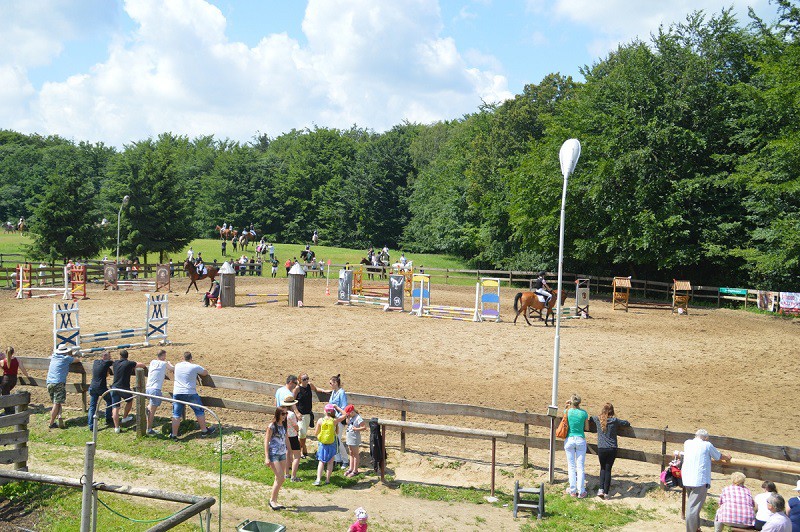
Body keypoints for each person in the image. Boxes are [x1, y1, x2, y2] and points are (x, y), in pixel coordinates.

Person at [682, 429, 732, 532]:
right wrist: (727, 457)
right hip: (699, 480)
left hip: (687, 478)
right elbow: (718, 456)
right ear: (705, 438)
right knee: (693, 509)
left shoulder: (687, 443)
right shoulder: (707, 445)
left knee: (693, 507)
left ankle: (696, 528)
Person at [171, 352, 215, 439]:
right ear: (191, 358)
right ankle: (204, 431)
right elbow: (205, 373)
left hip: (177, 392)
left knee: (176, 414)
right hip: (190, 392)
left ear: (182, 358)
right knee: (199, 411)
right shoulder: (194, 366)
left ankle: (174, 435)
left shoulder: (177, 365)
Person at [591, 403, 630, 499]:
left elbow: (591, 418)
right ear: (612, 411)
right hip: (612, 448)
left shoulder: (597, 419)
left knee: (602, 468)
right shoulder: (614, 420)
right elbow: (626, 423)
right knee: (608, 469)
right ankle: (606, 492)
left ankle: (600, 489)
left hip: (601, 448)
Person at [317, 374, 349, 468]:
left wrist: (336, 418)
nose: (330, 384)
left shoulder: (341, 393)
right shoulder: (334, 392)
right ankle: (337, 459)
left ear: (336, 383)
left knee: (338, 440)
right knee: (334, 439)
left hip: (338, 419)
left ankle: (345, 460)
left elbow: (343, 407)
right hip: (332, 419)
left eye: (331, 383)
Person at [111, 350, 147, 433]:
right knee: (130, 400)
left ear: (120, 356)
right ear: (127, 356)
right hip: (124, 387)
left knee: (115, 407)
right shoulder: (129, 363)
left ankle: (116, 427)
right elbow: (142, 365)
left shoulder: (115, 363)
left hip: (114, 387)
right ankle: (124, 417)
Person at [264, 407, 291, 510]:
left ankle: (274, 500)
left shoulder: (284, 425)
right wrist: (267, 457)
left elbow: (286, 439)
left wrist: (290, 452)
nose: (285, 416)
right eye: (283, 414)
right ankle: (272, 500)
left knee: (278, 478)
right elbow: (266, 441)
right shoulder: (271, 426)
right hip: (274, 454)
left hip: (282, 453)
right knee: (281, 477)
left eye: (286, 414)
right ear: (278, 414)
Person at [46, 344, 78, 429]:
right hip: (58, 382)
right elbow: (76, 360)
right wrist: (71, 355)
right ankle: (51, 422)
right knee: (56, 403)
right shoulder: (66, 358)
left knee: (57, 402)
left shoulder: (54, 357)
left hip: (49, 382)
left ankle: (59, 416)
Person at [563, 394, 589, 497]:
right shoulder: (584, 413)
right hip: (580, 440)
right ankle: (581, 491)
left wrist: (566, 407)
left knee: (571, 466)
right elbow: (586, 428)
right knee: (580, 466)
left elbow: (564, 421)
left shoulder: (567, 412)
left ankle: (573, 490)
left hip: (570, 439)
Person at [145, 350, 174, 435]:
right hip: (155, 389)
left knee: (150, 406)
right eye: (164, 356)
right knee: (152, 410)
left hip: (148, 388)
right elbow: (172, 369)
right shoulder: (164, 363)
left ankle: (147, 412)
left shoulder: (152, 362)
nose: (165, 358)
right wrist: (169, 363)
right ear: (162, 356)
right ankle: (149, 429)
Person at [313, 404, 341, 486]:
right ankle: (327, 480)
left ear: (325, 411)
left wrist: (320, 437)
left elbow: (316, 433)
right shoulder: (334, 421)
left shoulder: (320, 420)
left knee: (321, 461)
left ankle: (318, 479)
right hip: (332, 443)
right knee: (330, 462)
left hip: (323, 443)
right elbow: (337, 433)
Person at [294, 372, 320, 458]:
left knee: (304, 433)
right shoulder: (297, 389)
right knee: (301, 432)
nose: (306, 380)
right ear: (300, 380)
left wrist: (325, 391)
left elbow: (316, 389)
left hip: (308, 414)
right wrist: (297, 413)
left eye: (307, 378)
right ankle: (301, 449)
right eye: (304, 379)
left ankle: (302, 448)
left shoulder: (310, 385)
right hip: (301, 415)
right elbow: (292, 402)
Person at [87, 351, 113, 431]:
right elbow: (114, 363)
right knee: (110, 400)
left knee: (92, 407)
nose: (110, 358)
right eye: (109, 356)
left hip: (92, 386)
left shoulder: (95, 362)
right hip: (101, 387)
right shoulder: (107, 362)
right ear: (105, 357)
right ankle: (108, 418)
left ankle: (91, 425)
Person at [1, 347, 29, 415]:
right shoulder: (17, 360)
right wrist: (27, 376)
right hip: (14, 380)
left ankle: (8, 411)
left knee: (5, 396)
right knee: (7, 394)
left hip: (5, 380)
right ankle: (10, 408)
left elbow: (3, 368)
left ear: (6, 352)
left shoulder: (2, 361)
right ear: (13, 352)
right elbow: (23, 369)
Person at [281, 396, 302, 482]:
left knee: (287, 453)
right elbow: (295, 426)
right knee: (297, 456)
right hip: (293, 436)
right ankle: (293, 476)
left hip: (285, 436)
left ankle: (286, 474)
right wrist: (299, 428)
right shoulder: (291, 414)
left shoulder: (282, 413)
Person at [341, 404, 365, 477]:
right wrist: (347, 418)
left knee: (355, 454)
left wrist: (356, 429)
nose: (348, 415)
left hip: (354, 438)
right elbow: (348, 423)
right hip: (349, 436)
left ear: (352, 412)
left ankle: (355, 470)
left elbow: (364, 427)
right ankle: (350, 468)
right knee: (351, 453)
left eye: (348, 414)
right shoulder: (351, 417)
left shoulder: (358, 418)